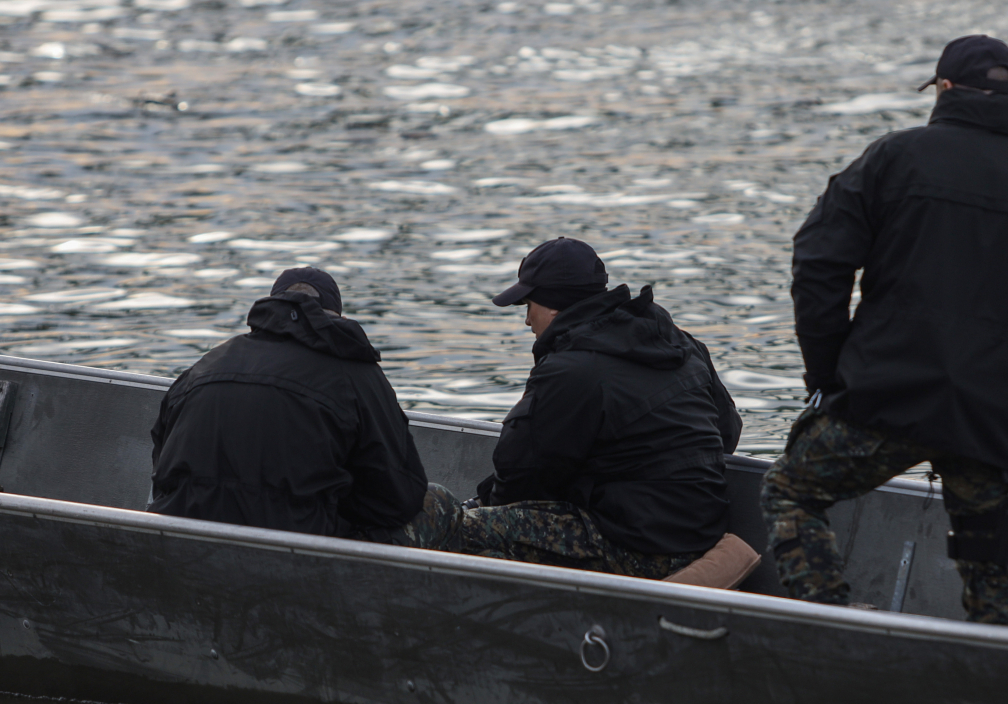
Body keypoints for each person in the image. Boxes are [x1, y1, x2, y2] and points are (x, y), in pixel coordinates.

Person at [761, 35, 1008, 624]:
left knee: (789, 493)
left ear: (943, 89)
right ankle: (1005, 677)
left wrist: (827, 375)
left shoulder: (893, 159)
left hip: (880, 400)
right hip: (993, 420)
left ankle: (832, 626)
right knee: (990, 571)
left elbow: (817, 264)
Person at [465, 237, 743, 578]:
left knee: (454, 528)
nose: (527, 321)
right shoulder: (679, 342)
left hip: (637, 546)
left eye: (527, 305)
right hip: (703, 532)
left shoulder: (569, 370)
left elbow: (519, 477)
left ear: (553, 306)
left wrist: (477, 507)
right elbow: (727, 433)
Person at [149, 267, 458, 548]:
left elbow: (160, 468)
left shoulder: (203, 367)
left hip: (180, 543)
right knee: (438, 501)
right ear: (338, 318)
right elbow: (398, 497)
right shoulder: (355, 373)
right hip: (298, 555)